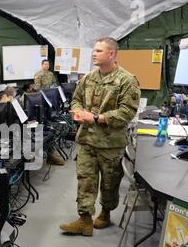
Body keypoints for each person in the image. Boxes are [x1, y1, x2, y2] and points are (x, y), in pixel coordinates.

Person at [60, 37, 140, 236]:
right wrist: (78, 112)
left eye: (98, 51)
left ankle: (105, 213)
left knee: (109, 183)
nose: (94, 54)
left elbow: (126, 113)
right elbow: (76, 99)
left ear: (111, 54)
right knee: (85, 180)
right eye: (94, 50)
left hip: (110, 143)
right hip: (86, 139)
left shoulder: (126, 80)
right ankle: (84, 220)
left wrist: (95, 118)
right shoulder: (88, 78)